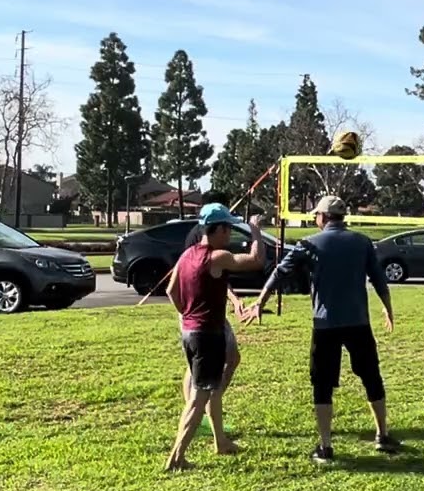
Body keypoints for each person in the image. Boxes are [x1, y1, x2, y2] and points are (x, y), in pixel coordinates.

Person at [252, 196, 398, 464]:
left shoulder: (309, 244)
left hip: (325, 325)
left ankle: (326, 447)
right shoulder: (362, 242)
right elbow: (379, 279)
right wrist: (388, 309)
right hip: (358, 323)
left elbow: (279, 273)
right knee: (371, 376)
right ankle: (382, 435)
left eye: (315, 215)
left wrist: (260, 302)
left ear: (323, 217)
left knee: (322, 384)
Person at [164, 203, 265, 471]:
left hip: (190, 331)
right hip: (207, 335)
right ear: (218, 229)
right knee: (199, 398)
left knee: (209, 388)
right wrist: (255, 232)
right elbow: (256, 261)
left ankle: (220, 442)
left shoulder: (188, 254)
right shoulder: (216, 257)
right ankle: (177, 458)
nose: (230, 233)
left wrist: (186, 313)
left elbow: (171, 290)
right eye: (228, 228)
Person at [179, 189, 249, 409]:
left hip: (207, 312)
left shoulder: (212, 237)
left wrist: (234, 299)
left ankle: (208, 410)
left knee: (229, 359)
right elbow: (198, 274)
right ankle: (198, 411)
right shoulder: (200, 238)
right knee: (196, 369)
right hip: (200, 314)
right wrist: (186, 311)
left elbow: (213, 277)